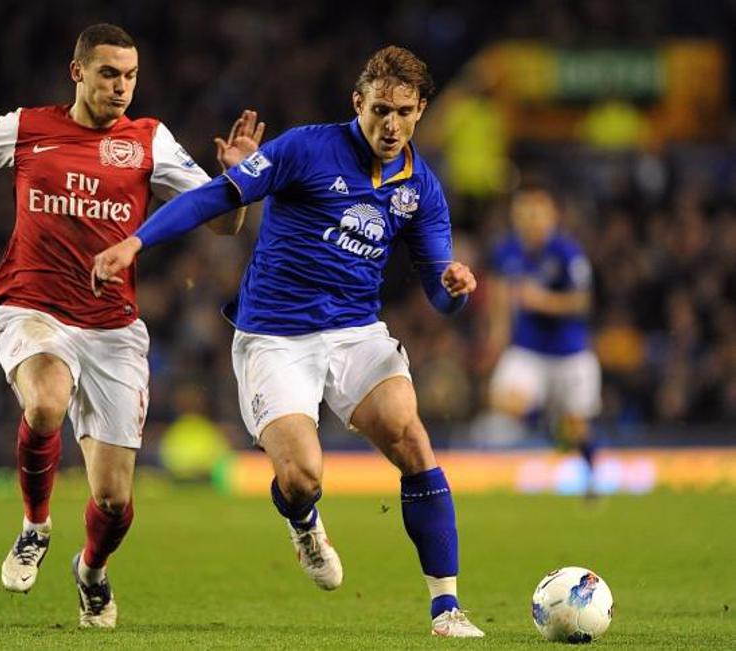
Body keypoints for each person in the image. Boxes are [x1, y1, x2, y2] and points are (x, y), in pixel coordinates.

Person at [92, 46, 484, 638]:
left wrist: (455, 288)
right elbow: (218, 196)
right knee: (302, 476)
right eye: (380, 109)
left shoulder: (420, 189)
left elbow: (439, 292)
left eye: (404, 112)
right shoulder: (306, 148)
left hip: (354, 332)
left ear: (422, 110)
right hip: (275, 336)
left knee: (411, 435)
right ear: (359, 103)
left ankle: (446, 608)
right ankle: (303, 522)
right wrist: (138, 243)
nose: (390, 125)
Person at [0, 23, 262, 628]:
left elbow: (222, 225)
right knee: (47, 402)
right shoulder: (26, 127)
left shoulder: (149, 140)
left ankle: (91, 570)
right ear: (77, 71)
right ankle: (35, 525)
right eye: (109, 73)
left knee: (114, 501)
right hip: (31, 307)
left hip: (113, 328)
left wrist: (241, 180)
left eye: (131, 76)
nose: (122, 87)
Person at [485, 184, 601, 491]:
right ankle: (548, 424)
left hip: (570, 352)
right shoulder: (506, 250)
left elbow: (582, 302)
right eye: (523, 212)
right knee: (501, 398)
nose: (530, 219)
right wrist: (498, 332)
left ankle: (592, 480)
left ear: (551, 216)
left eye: (536, 212)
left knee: (578, 428)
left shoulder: (568, 252)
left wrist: (543, 301)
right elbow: (499, 292)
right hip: (528, 348)